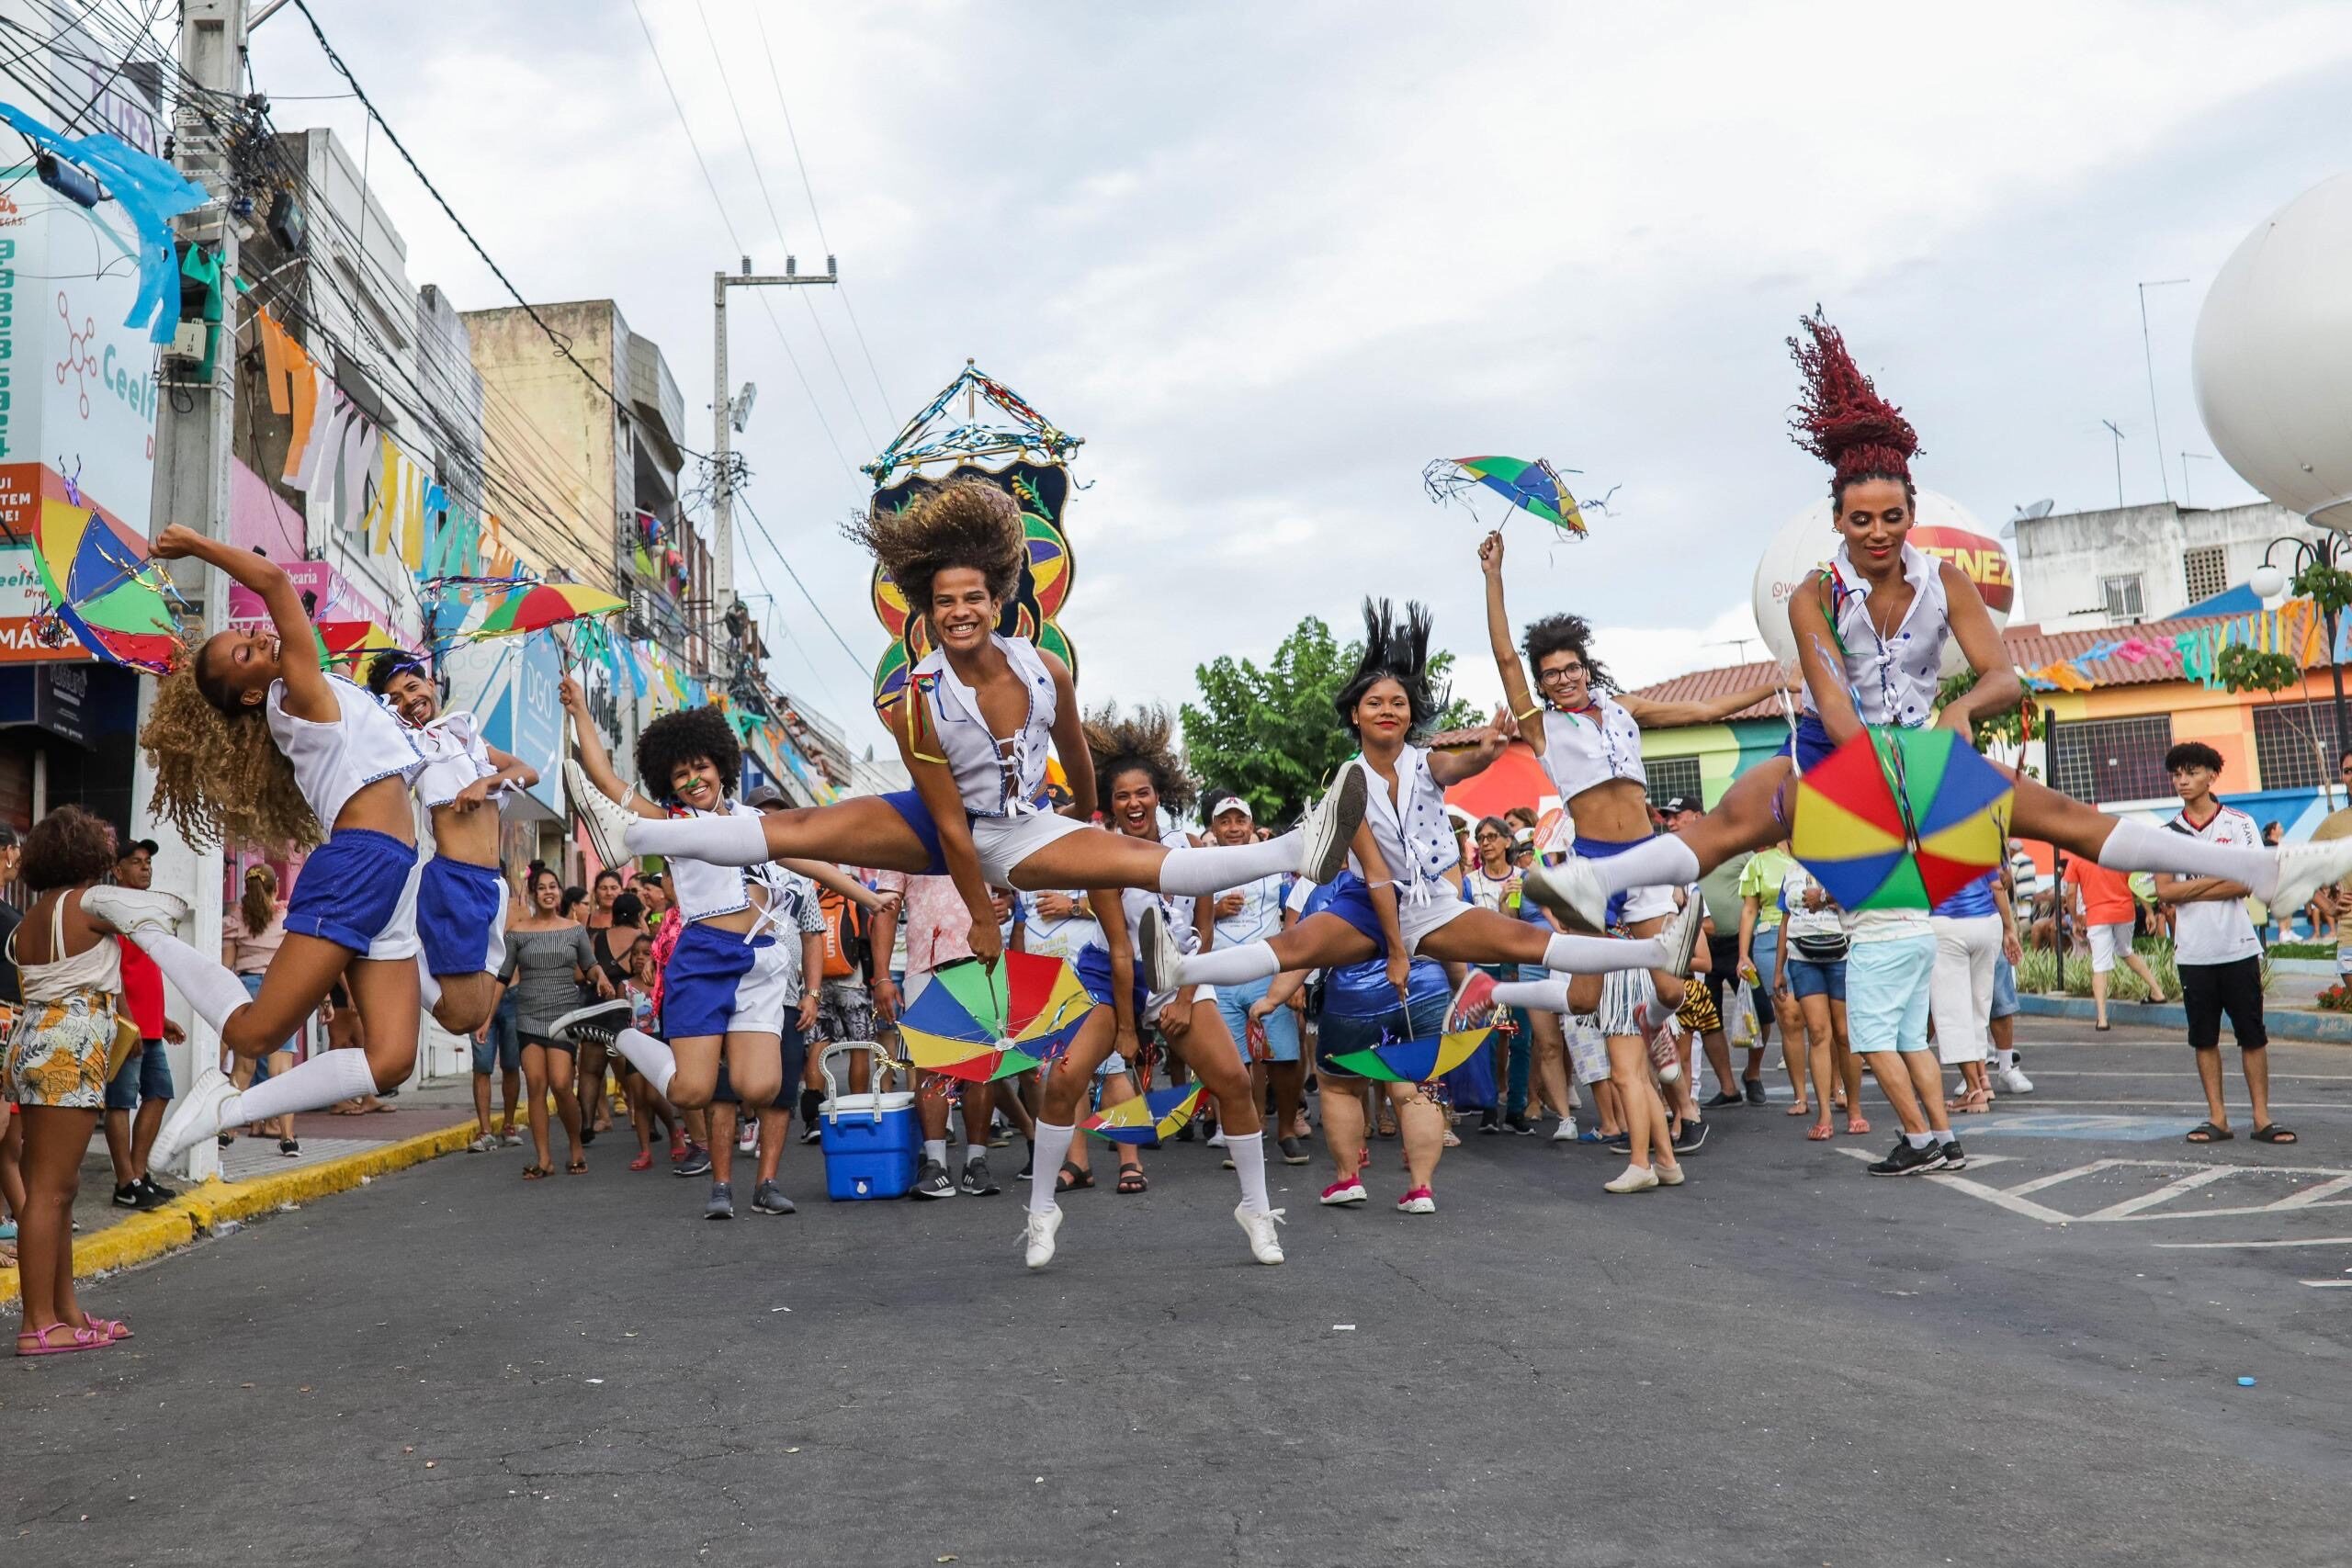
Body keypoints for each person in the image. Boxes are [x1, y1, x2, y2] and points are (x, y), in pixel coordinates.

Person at [1522, 310, 2352, 943]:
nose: (1877, 533)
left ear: (1911, 512)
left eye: (1891, 516)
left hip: (1920, 749)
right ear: (1837, 521)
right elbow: (1837, 710)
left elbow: (2002, 677)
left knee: (2068, 820)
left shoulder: (1947, 581)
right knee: (1734, 820)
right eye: (1860, 520)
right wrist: (1897, 766)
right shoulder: (1813, 597)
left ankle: (2266, 870)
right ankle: (1599, 887)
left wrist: (1959, 715)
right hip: (1836, 753)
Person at [566, 479, 1369, 965]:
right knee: (801, 826)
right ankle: (638, 835)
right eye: (944, 601)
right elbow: (952, 830)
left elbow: (1076, 759)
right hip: (943, 826)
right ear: (928, 610)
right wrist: (985, 918)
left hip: (1020, 826)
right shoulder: (918, 698)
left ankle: (1296, 848)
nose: (959, 612)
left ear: (999, 602)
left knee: (1141, 860)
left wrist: (1086, 818)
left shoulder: (1043, 668)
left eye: (973, 599)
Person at [1144, 601, 1702, 1005]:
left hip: (1433, 902)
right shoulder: (1349, 780)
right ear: (1355, 715)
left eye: (1399, 703)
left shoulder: (1425, 761)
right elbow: (1379, 876)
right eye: (1375, 702)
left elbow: (1459, 765)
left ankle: (1656, 954)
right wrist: (1395, 949)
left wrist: (1484, 754)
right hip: (1368, 905)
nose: (1389, 709)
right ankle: (1180, 968)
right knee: (1294, 946)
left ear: (1410, 716)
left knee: (1531, 942)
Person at [99, 526, 432, 1167]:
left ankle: (234, 1108)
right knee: (256, 1030)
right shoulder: (295, 692)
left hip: (395, 869)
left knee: (391, 1058)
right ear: (253, 693)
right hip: (363, 861)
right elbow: (276, 581)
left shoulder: (303, 689)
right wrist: (195, 544)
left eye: (250, 637)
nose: (260, 641)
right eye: (246, 653)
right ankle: (146, 928)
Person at [1479, 530, 1783, 1032]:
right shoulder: (1541, 728)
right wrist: (1494, 577)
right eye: (1551, 674)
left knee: (1673, 988)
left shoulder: (1625, 709)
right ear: (1542, 683)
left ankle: (1650, 1023)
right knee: (1583, 999)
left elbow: (1705, 707)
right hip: (1593, 866)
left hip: (1647, 858)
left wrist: (1775, 683)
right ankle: (1496, 990)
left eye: (1570, 668)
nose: (1563, 679)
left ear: (1585, 668)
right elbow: (1506, 657)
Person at [1023, 706, 1286, 1269]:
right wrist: (1126, 1029)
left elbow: (1207, 927)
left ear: (1159, 793)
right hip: (1110, 977)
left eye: (1142, 793)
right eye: (1121, 797)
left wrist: (1187, 998)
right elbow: (1121, 950)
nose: (1133, 804)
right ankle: (1041, 1212)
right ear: (1109, 804)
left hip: (1181, 976)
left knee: (1235, 1082)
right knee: (1063, 1078)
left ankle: (1257, 1211)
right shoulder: (1099, 856)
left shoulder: (1193, 850)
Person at [7, 807, 139, 1355]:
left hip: (35, 1039)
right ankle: (37, 1323)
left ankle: (63, 1311)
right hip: (70, 1047)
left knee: (54, 1188)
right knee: (51, 1191)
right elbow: (157, 919)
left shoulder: (33, 915)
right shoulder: (88, 905)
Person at [367, 651, 540, 1036]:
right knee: (461, 1018)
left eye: (412, 687)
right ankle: (382, 952)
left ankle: (391, 947)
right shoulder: (409, 748)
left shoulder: (469, 737)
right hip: (454, 884)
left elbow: (529, 772)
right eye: (395, 698)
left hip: (491, 886)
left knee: (477, 1013)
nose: (408, 699)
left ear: (431, 684)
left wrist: (485, 783)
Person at [2157, 743, 2294, 1145]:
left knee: (2252, 1034)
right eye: (2177, 773)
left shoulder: (2240, 824)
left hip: (2238, 948)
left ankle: (2262, 1118)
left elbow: (2250, 881)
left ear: (2211, 775)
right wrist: (2219, 880)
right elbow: (2165, 890)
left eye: (2192, 772)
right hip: (2193, 953)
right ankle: (2217, 1118)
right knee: (2204, 1037)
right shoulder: (2166, 835)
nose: (2183, 780)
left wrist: (2191, 887)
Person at [1205, 792, 1309, 1163]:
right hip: (1220, 977)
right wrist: (1215, 911)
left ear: (1251, 825)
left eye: (1240, 821)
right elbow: (1188, 923)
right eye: (1225, 821)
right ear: (1213, 828)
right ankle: (1247, 1135)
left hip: (1266, 974)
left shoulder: (1274, 865)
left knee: (1283, 1057)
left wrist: (1294, 980)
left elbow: (1295, 912)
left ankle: (1284, 1130)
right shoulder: (1203, 867)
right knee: (1234, 1065)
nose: (1233, 828)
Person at [498, 864, 607, 1178]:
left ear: (560, 893)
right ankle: (544, 1158)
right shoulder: (517, 933)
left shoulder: (574, 930)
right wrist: (485, 1017)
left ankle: (575, 1146)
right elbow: (503, 977)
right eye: (542, 888)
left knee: (561, 1084)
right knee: (535, 1085)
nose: (548, 892)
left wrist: (601, 979)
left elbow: (590, 966)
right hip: (528, 1016)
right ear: (534, 895)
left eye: (553, 887)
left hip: (563, 1016)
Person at [101, 837, 183, 1207]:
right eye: (136, 861)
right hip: (126, 1025)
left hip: (149, 1025)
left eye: (147, 861)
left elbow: (143, 972)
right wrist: (126, 1020)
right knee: (120, 1102)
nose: (145, 867)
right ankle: (124, 1183)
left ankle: (137, 1174)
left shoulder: (146, 910)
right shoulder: (112, 910)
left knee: (160, 1092)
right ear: (118, 870)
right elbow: (113, 971)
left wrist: (160, 1018)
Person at [1665, 797, 1760, 1109]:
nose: (1671, 822)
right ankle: (1728, 1087)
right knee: (1707, 1021)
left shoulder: (1728, 846)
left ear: (1698, 816)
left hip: (1737, 945)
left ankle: (1754, 1074)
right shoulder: (1673, 856)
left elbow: (1760, 885)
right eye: (1668, 818)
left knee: (1760, 1011)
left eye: (1678, 816)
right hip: (1697, 950)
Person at [1776, 859, 1863, 1141]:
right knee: (1817, 1033)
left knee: (1844, 1033)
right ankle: (1824, 1113)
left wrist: (1824, 897)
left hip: (1842, 953)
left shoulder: (1841, 863)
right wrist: (1779, 969)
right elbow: (1785, 919)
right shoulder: (1791, 872)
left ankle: (1855, 1109)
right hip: (1802, 958)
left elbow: (1857, 897)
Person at [220, 864, 300, 1156]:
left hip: (245, 992)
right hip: (279, 992)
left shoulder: (235, 920)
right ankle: (287, 1138)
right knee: (281, 1070)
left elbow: (226, 968)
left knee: (243, 1067)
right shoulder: (287, 918)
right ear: (275, 887)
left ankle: (226, 1131)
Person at [2064, 853, 2166, 1030]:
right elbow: (2137, 884)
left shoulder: (2077, 857)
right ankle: (2157, 992)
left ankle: (2102, 1019)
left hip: (2097, 916)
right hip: (2125, 912)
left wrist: (2074, 919)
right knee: (2125, 950)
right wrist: (2149, 912)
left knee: (2100, 965)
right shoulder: (2117, 854)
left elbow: (2071, 893)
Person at [1736, 840, 1800, 1109]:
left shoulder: (1820, 851)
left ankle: (1836, 1087)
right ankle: (1801, 1095)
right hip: (1769, 940)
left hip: (1813, 934)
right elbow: (1750, 911)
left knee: (1820, 1017)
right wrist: (1743, 955)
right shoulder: (1760, 862)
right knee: (1789, 1015)